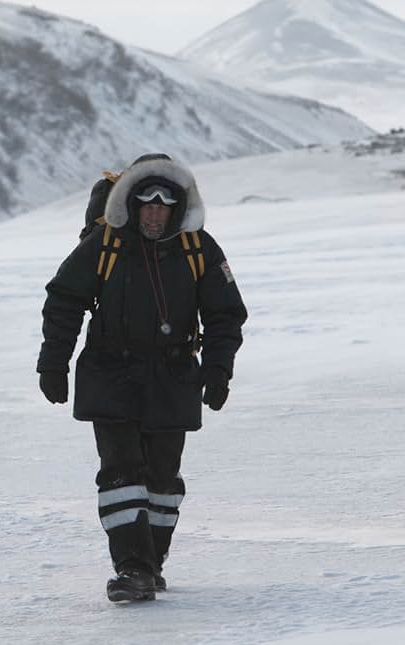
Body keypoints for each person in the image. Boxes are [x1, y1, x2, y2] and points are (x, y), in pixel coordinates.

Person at [36, 154, 247, 602]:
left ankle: (151, 562)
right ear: (131, 204)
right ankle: (132, 568)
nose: (154, 212)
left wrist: (218, 369)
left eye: (163, 204)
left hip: (173, 375)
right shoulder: (104, 244)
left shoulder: (199, 249)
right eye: (146, 204)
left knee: (162, 482)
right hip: (110, 372)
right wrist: (53, 363)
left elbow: (225, 315)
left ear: (176, 207)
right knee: (121, 472)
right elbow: (64, 301)